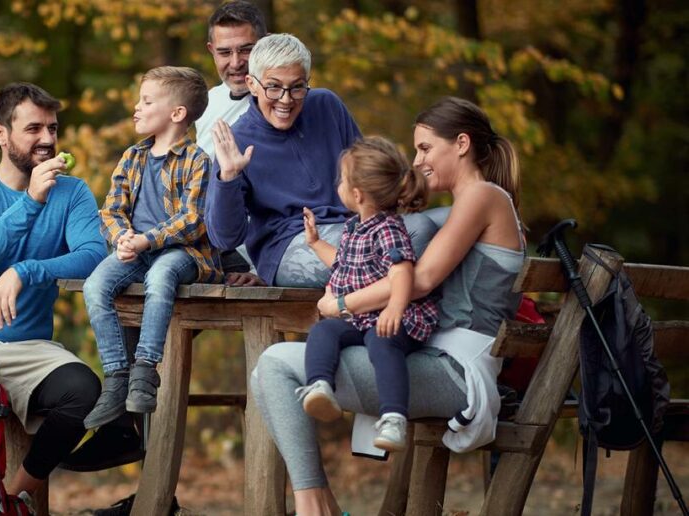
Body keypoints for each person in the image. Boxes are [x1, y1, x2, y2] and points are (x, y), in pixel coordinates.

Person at [250, 97, 525, 515]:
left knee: (273, 365)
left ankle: (314, 508)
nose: (418, 160)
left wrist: (340, 303)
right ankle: (317, 505)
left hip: (455, 372)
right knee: (271, 369)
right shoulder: (469, 204)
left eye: (426, 148)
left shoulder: (482, 197)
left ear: (462, 144)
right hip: (438, 359)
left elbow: (420, 281)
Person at [0, 82, 110, 504]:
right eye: (34, 129)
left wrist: (27, 271)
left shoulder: (72, 192)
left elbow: (93, 254)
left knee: (85, 392)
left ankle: (12, 498)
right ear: (1, 134)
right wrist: (31, 200)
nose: (48, 139)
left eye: (53, 128)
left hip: (28, 347)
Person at [207, 33, 439, 287]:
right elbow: (224, 239)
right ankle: (381, 316)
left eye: (297, 87)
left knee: (454, 220)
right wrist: (228, 178)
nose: (286, 99)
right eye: (273, 87)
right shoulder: (236, 141)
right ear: (252, 84)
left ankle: (446, 324)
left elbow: (369, 173)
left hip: (357, 224)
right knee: (421, 230)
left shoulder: (326, 105)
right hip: (292, 244)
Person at [81, 66, 222, 429]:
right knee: (96, 285)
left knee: (161, 277)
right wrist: (123, 238)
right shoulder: (132, 157)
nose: (137, 107)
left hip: (182, 253)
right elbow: (111, 209)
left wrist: (148, 239)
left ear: (177, 114)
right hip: (136, 251)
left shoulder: (197, 160)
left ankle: (145, 371)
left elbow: (193, 219)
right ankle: (116, 378)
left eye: (147, 100)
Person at [296, 136, 439, 452]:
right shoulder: (353, 227)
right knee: (323, 331)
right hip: (361, 316)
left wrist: (395, 308)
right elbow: (346, 265)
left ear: (357, 194)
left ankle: (393, 418)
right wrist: (316, 243)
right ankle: (320, 386)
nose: (339, 186)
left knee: (381, 342)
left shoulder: (388, 227)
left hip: (393, 317)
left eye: (342, 181)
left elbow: (401, 271)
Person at [194, 0, 266, 164]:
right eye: (225, 52)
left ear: (266, 44)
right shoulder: (208, 101)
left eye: (246, 50)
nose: (236, 63)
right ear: (212, 51)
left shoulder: (283, 102)